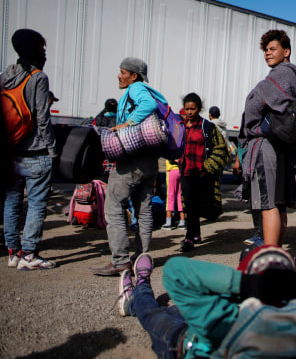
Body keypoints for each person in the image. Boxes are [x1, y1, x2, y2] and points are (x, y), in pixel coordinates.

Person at [117, 246, 296, 358]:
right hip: (203, 327)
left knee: (153, 314)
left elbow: (176, 272)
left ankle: (137, 291)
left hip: (181, 343)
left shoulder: (231, 319)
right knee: (174, 310)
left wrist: (245, 284)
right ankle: (137, 295)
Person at [90, 57, 164, 276]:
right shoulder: (149, 90)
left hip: (131, 160)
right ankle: (142, 256)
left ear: (134, 75)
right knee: (144, 208)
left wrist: (127, 124)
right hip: (149, 161)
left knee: (113, 205)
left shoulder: (137, 87)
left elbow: (148, 106)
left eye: (122, 72)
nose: (119, 76)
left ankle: (120, 260)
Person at [233, 29, 296, 246]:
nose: (267, 53)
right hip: (282, 145)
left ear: (286, 51)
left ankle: (271, 255)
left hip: (266, 145)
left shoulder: (280, 74)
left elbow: (254, 104)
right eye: (265, 50)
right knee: (279, 203)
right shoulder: (295, 75)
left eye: (272, 49)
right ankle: (278, 252)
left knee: (268, 203)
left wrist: (250, 121)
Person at [2, 29, 57, 270]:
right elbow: (43, 119)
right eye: (42, 48)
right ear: (34, 49)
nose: (45, 52)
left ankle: (13, 252)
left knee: (11, 202)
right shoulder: (38, 77)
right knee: (36, 204)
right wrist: (53, 150)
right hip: (36, 152)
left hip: (11, 149)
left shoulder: (6, 74)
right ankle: (30, 253)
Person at [177, 93, 228, 252]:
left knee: (195, 206)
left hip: (201, 174)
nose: (189, 112)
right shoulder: (180, 126)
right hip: (185, 173)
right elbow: (172, 145)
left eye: (192, 109)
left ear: (199, 109)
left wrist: (208, 166)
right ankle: (195, 234)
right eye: (187, 109)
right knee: (190, 206)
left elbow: (222, 148)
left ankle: (189, 238)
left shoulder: (208, 127)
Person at [161, 159, 185, 230]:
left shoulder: (171, 148)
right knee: (180, 196)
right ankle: (182, 221)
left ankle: (168, 222)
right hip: (181, 170)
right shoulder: (182, 147)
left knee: (170, 196)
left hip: (171, 170)